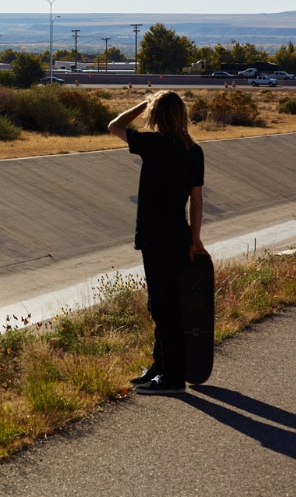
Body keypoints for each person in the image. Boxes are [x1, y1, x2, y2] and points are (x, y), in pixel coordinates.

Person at [107, 90, 207, 395]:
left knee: (163, 308)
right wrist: (195, 239)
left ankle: (173, 378)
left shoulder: (152, 144)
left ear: (156, 115)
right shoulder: (194, 150)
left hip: (155, 237)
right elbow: (197, 199)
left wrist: (143, 102)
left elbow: (114, 125)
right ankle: (160, 366)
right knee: (165, 304)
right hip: (178, 236)